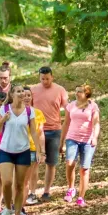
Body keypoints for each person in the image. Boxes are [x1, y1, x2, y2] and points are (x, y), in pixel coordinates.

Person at [0, 85, 43, 215]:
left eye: (23, 91)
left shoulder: (29, 111)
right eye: (19, 91)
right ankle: (7, 208)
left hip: (23, 151)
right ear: (12, 94)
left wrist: (39, 151)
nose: (22, 93)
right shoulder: (4, 109)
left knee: (20, 185)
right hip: (6, 150)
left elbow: (34, 132)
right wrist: (3, 119)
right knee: (7, 182)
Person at [30, 66, 68, 202]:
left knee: (51, 163)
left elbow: (68, 110)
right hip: (36, 130)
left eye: (47, 78)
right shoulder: (33, 90)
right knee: (34, 162)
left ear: (52, 77)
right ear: (39, 78)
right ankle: (32, 192)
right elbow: (28, 109)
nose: (45, 81)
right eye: (42, 79)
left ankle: (46, 191)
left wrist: (65, 136)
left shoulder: (60, 90)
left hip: (54, 130)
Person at [60, 84, 100, 207]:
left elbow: (96, 123)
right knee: (70, 163)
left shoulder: (93, 106)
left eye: (80, 92)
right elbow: (66, 123)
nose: (77, 93)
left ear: (86, 94)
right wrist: (61, 141)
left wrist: (95, 137)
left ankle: (81, 197)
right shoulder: (71, 105)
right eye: (76, 91)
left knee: (84, 169)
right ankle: (71, 188)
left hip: (87, 140)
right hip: (72, 138)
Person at [21, 86, 45, 208]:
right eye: (24, 95)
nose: (26, 97)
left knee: (33, 172)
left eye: (29, 95)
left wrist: (42, 151)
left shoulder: (38, 113)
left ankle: (32, 193)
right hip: (19, 148)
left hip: (33, 147)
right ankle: (19, 198)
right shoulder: (15, 112)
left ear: (32, 97)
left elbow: (40, 133)